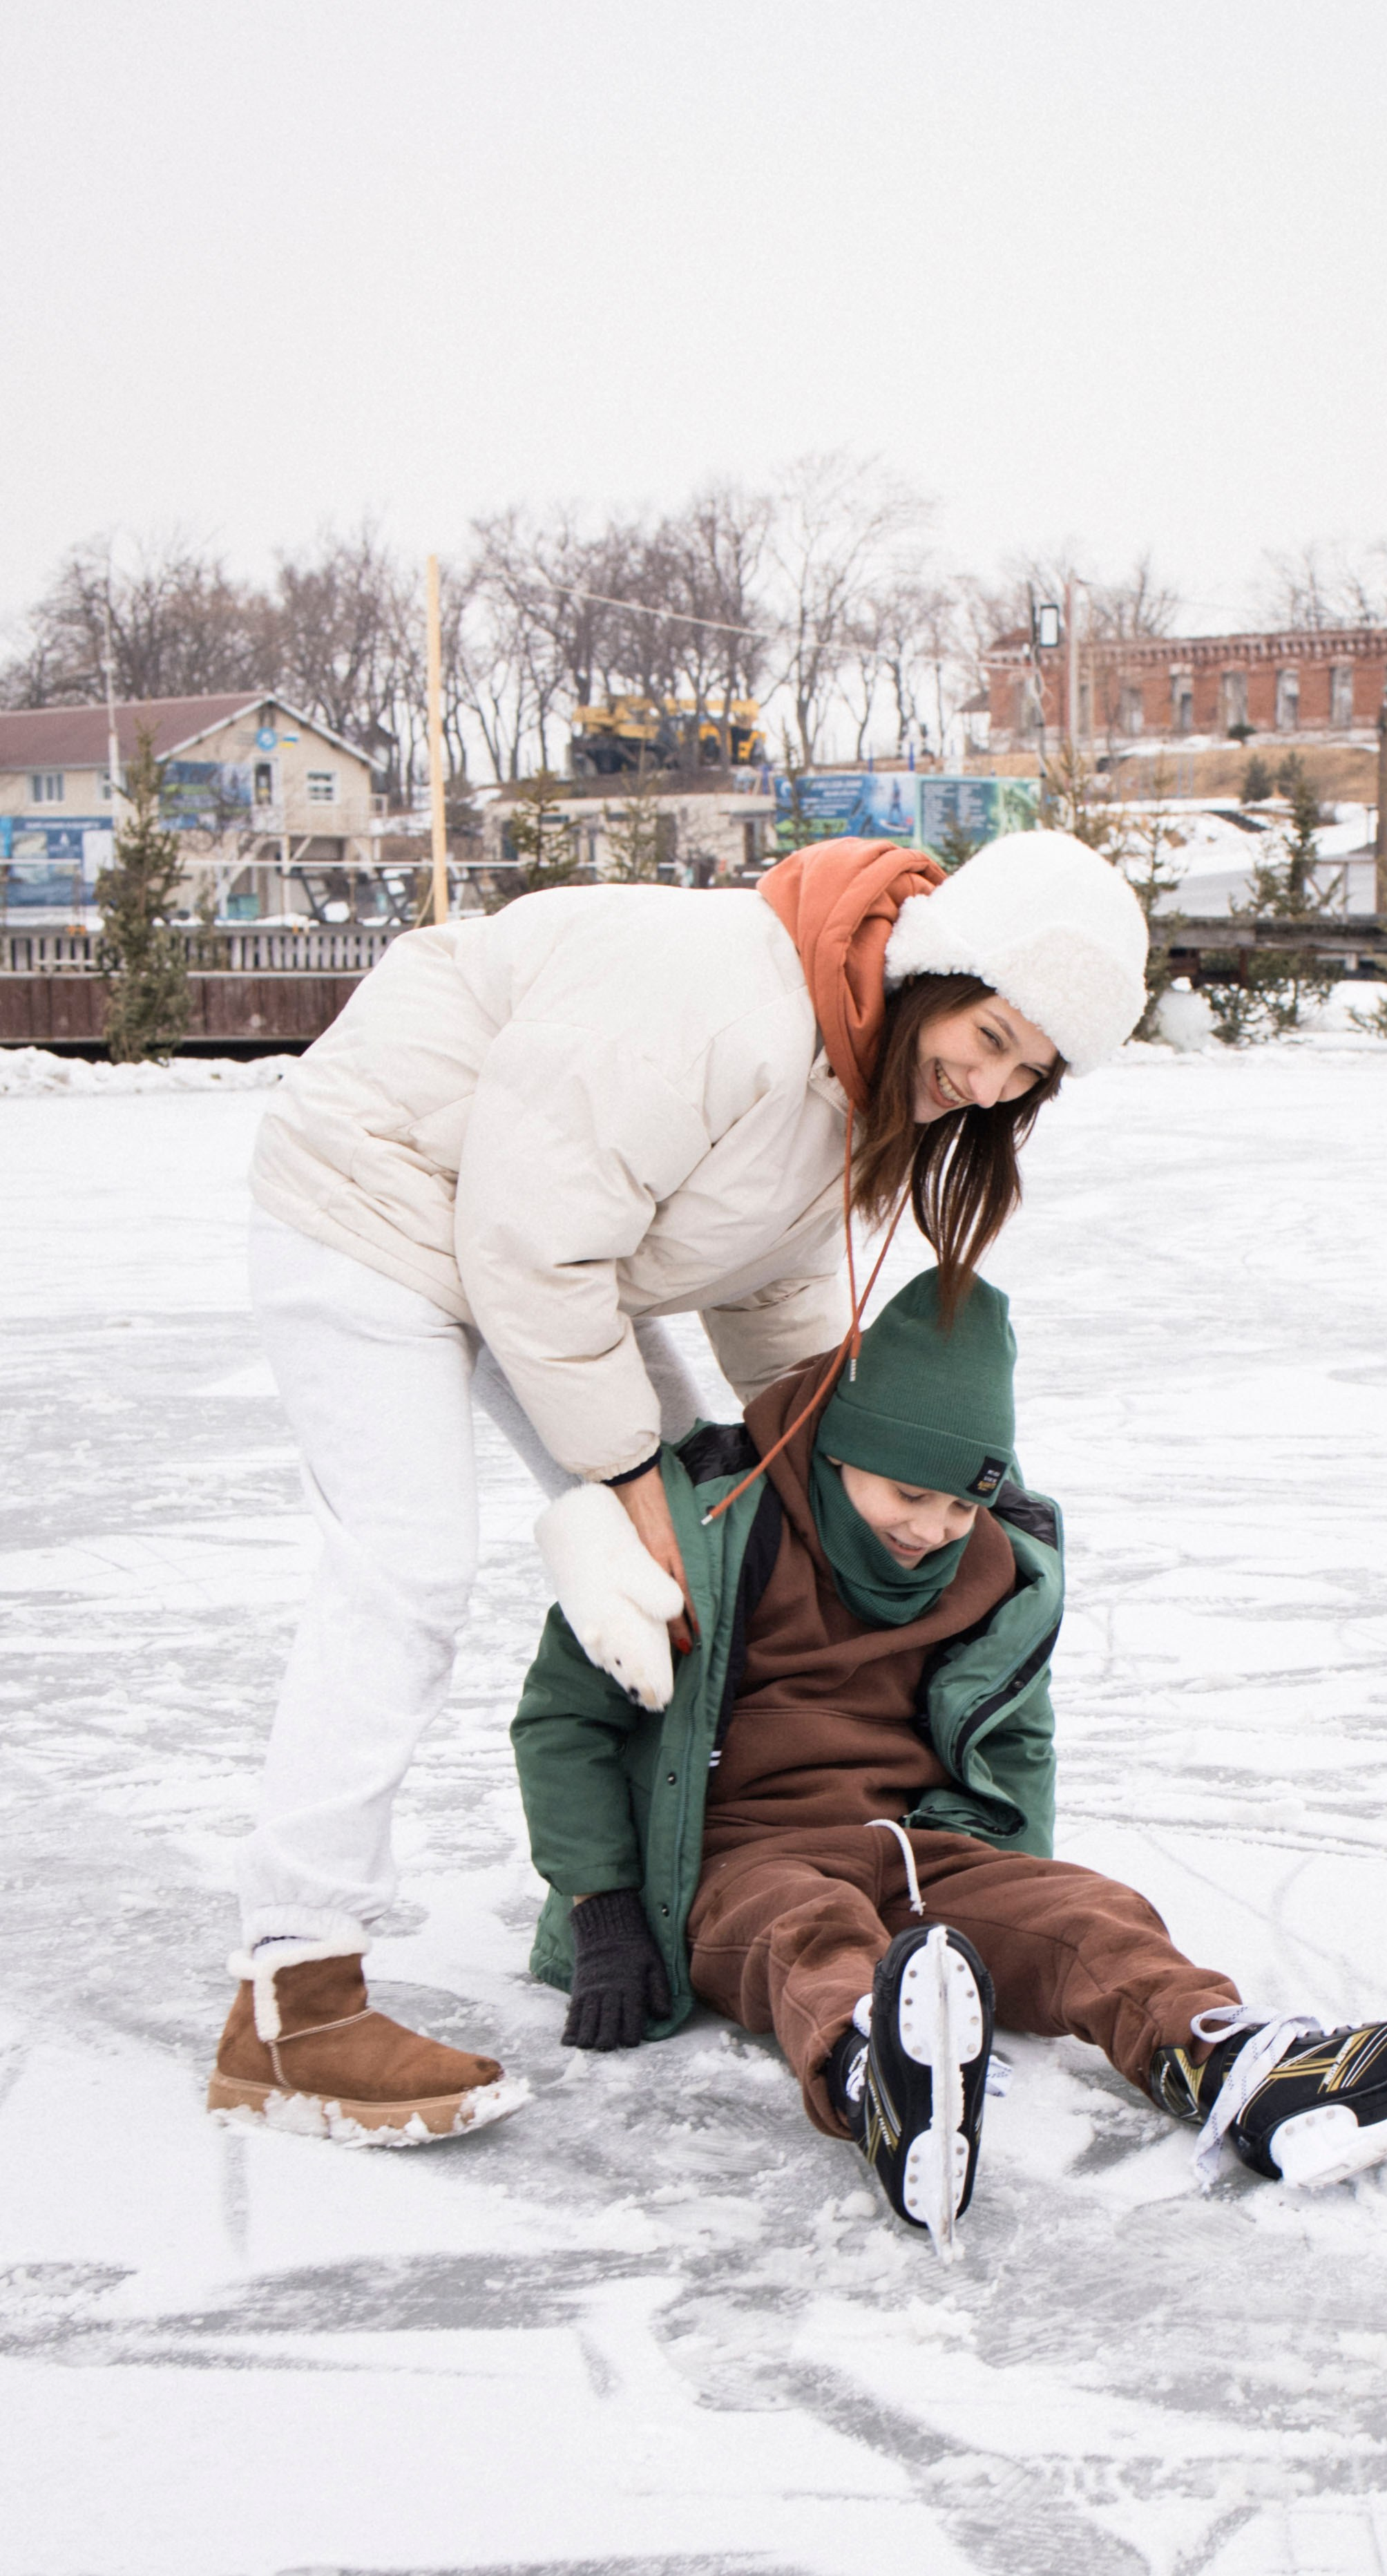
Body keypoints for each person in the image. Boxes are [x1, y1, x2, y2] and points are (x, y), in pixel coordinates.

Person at [207, 830, 1148, 2142]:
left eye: (1026, 1074)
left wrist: (903, 1459)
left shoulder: (852, 1060)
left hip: (537, 1253)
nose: (985, 1087)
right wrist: (627, 1472)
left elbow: (772, 1289)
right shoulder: (720, 1002)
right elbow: (528, 1243)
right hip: (378, 1205)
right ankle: (294, 2000)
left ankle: (711, 1856)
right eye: (987, 1035)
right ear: (937, 969)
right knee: (409, 1567)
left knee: (711, 1538)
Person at [510, 1272, 1387, 2252]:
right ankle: (878, 2071)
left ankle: (1240, 2066)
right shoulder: (696, 1524)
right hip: (725, 1854)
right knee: (803, 1927)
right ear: (832, 1452)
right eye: (904, 1493)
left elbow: (1014, 1738)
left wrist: (1005, 1889)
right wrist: (604, 1907)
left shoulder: (999, 1568)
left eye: (960, 1505)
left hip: (914, 1846)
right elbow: (563, 1720)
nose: (931, 1529)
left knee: (1092, 1913)